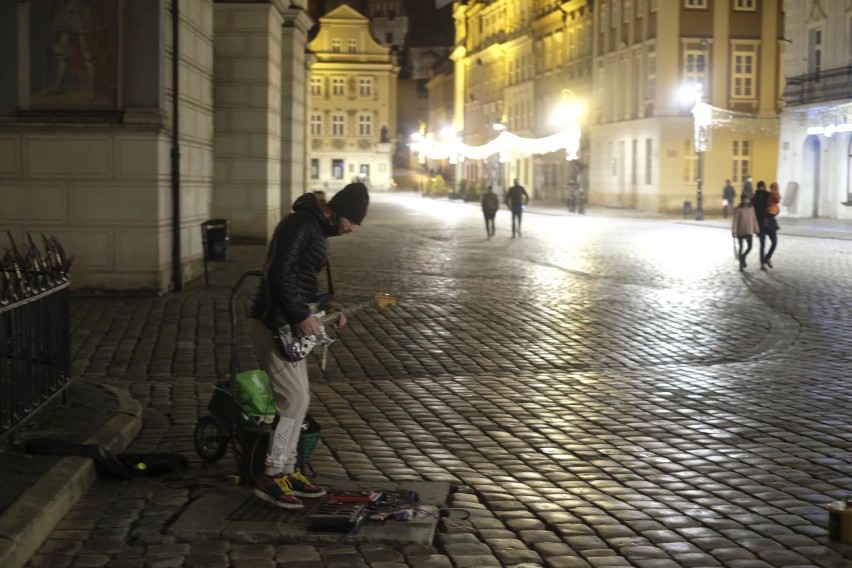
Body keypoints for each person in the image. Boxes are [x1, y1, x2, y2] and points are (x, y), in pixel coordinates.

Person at [247, 182, 369, 509]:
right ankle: (270, 476)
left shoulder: (314, 227)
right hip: (275, 321)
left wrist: (326, 304)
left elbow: (301, 280)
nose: (353, 229)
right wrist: (301, 315)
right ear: (340, 211)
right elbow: (278, 273)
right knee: (294, 398)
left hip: (288, 322)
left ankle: (287, 471)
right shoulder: (301, 224)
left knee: (299, 401)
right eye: (354, 221)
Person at [751, 180, 778, 270]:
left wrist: (775, 211)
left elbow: (775, 204)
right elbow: (753, 213)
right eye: (760, 187)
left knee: (774, 242)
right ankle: (762, 263)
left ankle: (767, 258)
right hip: (761, 224)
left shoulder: (768, 195)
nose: (761, 188)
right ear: (758, 187)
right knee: (762, 245)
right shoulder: (754, 198)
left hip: (770, 223)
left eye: (763, 187)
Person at [731, 193, 761, 271]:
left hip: (749, 230)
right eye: (745, 198)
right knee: (741, 247)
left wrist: (757, 231)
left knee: (750, 247)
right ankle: (741, 265)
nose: (746, 200)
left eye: (747, 198)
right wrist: (733, 231)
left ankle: (742, 257)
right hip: (740, 231)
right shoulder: (738, 209)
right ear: (742, 199)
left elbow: (754, 220)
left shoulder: (751, 208)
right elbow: (735, 221)